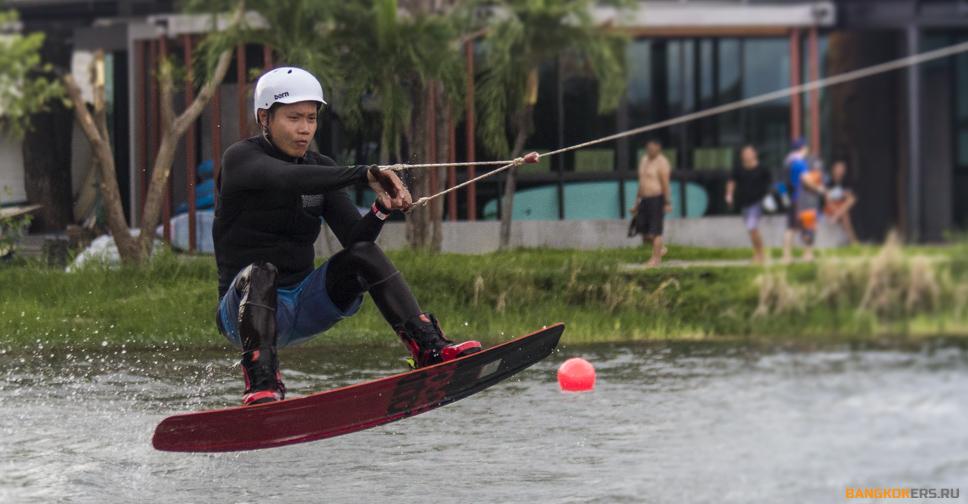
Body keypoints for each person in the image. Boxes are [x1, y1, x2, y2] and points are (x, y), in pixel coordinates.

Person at [213, 67, 481, 405]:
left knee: (364, 255)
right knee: (261, 270)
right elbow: (285, 179)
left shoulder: (321, 166)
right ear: (265, 117)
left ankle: (429, 348)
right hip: (243, 312)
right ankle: (262, 382)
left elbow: (356, 239)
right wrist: (362, 174)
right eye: (294, 118)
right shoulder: (241, 159)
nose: (304, 129)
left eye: (311, 118)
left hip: (305, 302)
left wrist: (380, 209)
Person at [725, 145, 772, 264]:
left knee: (752, 227)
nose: (746, 155)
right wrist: (729, 195)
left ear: (754, 154)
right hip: (745, 203)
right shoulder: (738, 169)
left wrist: (769, 198)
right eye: (744, 153)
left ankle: (759, 254)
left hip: (758, 203)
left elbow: (770, 183)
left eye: (748, 153)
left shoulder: (762, 168)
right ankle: (760, 253)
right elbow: (731, 182)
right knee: (752, 230)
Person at [631, 139, 671, 267]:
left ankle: (655, 259)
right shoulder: (644, 160)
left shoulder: (662, 162)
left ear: (658, 147)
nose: (650, 151)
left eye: (652, 148)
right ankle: (661, 249)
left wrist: (666, 202)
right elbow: (641, 182)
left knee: (655, 231)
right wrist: (637, 202)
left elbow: (665, 184)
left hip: (656, 198)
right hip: (644, 199)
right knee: (643, 231)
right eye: (648, 148)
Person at [782, 138, 811, 263]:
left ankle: (787, 255)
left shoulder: (788, 161)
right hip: (802, 198)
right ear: (802, 148)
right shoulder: (800, 163)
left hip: (792, 198)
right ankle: (807, 254)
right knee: (807, 225)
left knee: (791, 227)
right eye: (806, 147)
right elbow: (807, 180)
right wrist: (820, 189)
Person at [795, 159, 827, 261]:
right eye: (815, 168)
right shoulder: (804, 175)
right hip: (803, 204)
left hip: (813, 206)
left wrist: (822, 189)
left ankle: (809, 253)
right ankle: (806, 252)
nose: (817, 171)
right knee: (804, 230)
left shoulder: (820, 177)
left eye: (819, 168)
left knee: (811, 229)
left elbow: (822, 188)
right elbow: (808, 183)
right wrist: (818, 188)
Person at [824, 160, 859, 245]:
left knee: (847, 210)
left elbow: (851, 198)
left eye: (842, 169)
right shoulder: (828, 182)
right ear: (834, 169)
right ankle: (854, 242)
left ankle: (853, 242)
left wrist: (837, 214)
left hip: (840, 209)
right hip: (830, 208)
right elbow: (827, 201)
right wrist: (836, 211)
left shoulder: (846, 182)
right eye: (839, 168)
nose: (841, 171)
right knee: (845, 215)